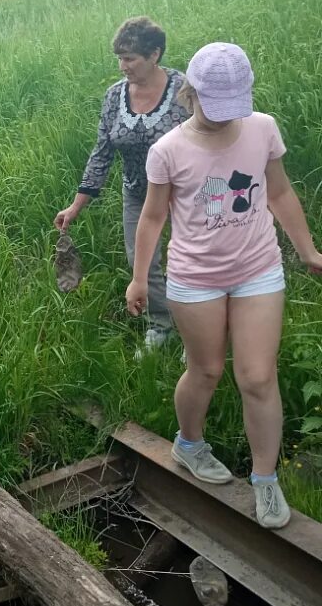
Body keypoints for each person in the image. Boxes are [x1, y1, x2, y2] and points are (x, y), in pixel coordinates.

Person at [126, 42, 322, 529]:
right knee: (207, 370)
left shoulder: (262, 129)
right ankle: (189, 444)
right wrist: (138, 279)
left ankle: (265, 478)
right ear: (189, 92)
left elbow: (278, 192)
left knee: (257, 376)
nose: (223, 119)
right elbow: (151, 219)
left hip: (258, 268)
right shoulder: (167, 150)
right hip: (195, 278)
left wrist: (308, 251)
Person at [55, 16, 188, 354]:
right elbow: (101, 153)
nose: (122, 66)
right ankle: (162, 323)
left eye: (130, 58)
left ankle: (197, 325)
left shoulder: (184, 90)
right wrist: (76, 205)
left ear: (154, 54)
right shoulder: (114, 97)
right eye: (119, 57)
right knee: (139, 261)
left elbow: (207, 138)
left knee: (190, 257)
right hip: (138, 192)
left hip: (186, 191)